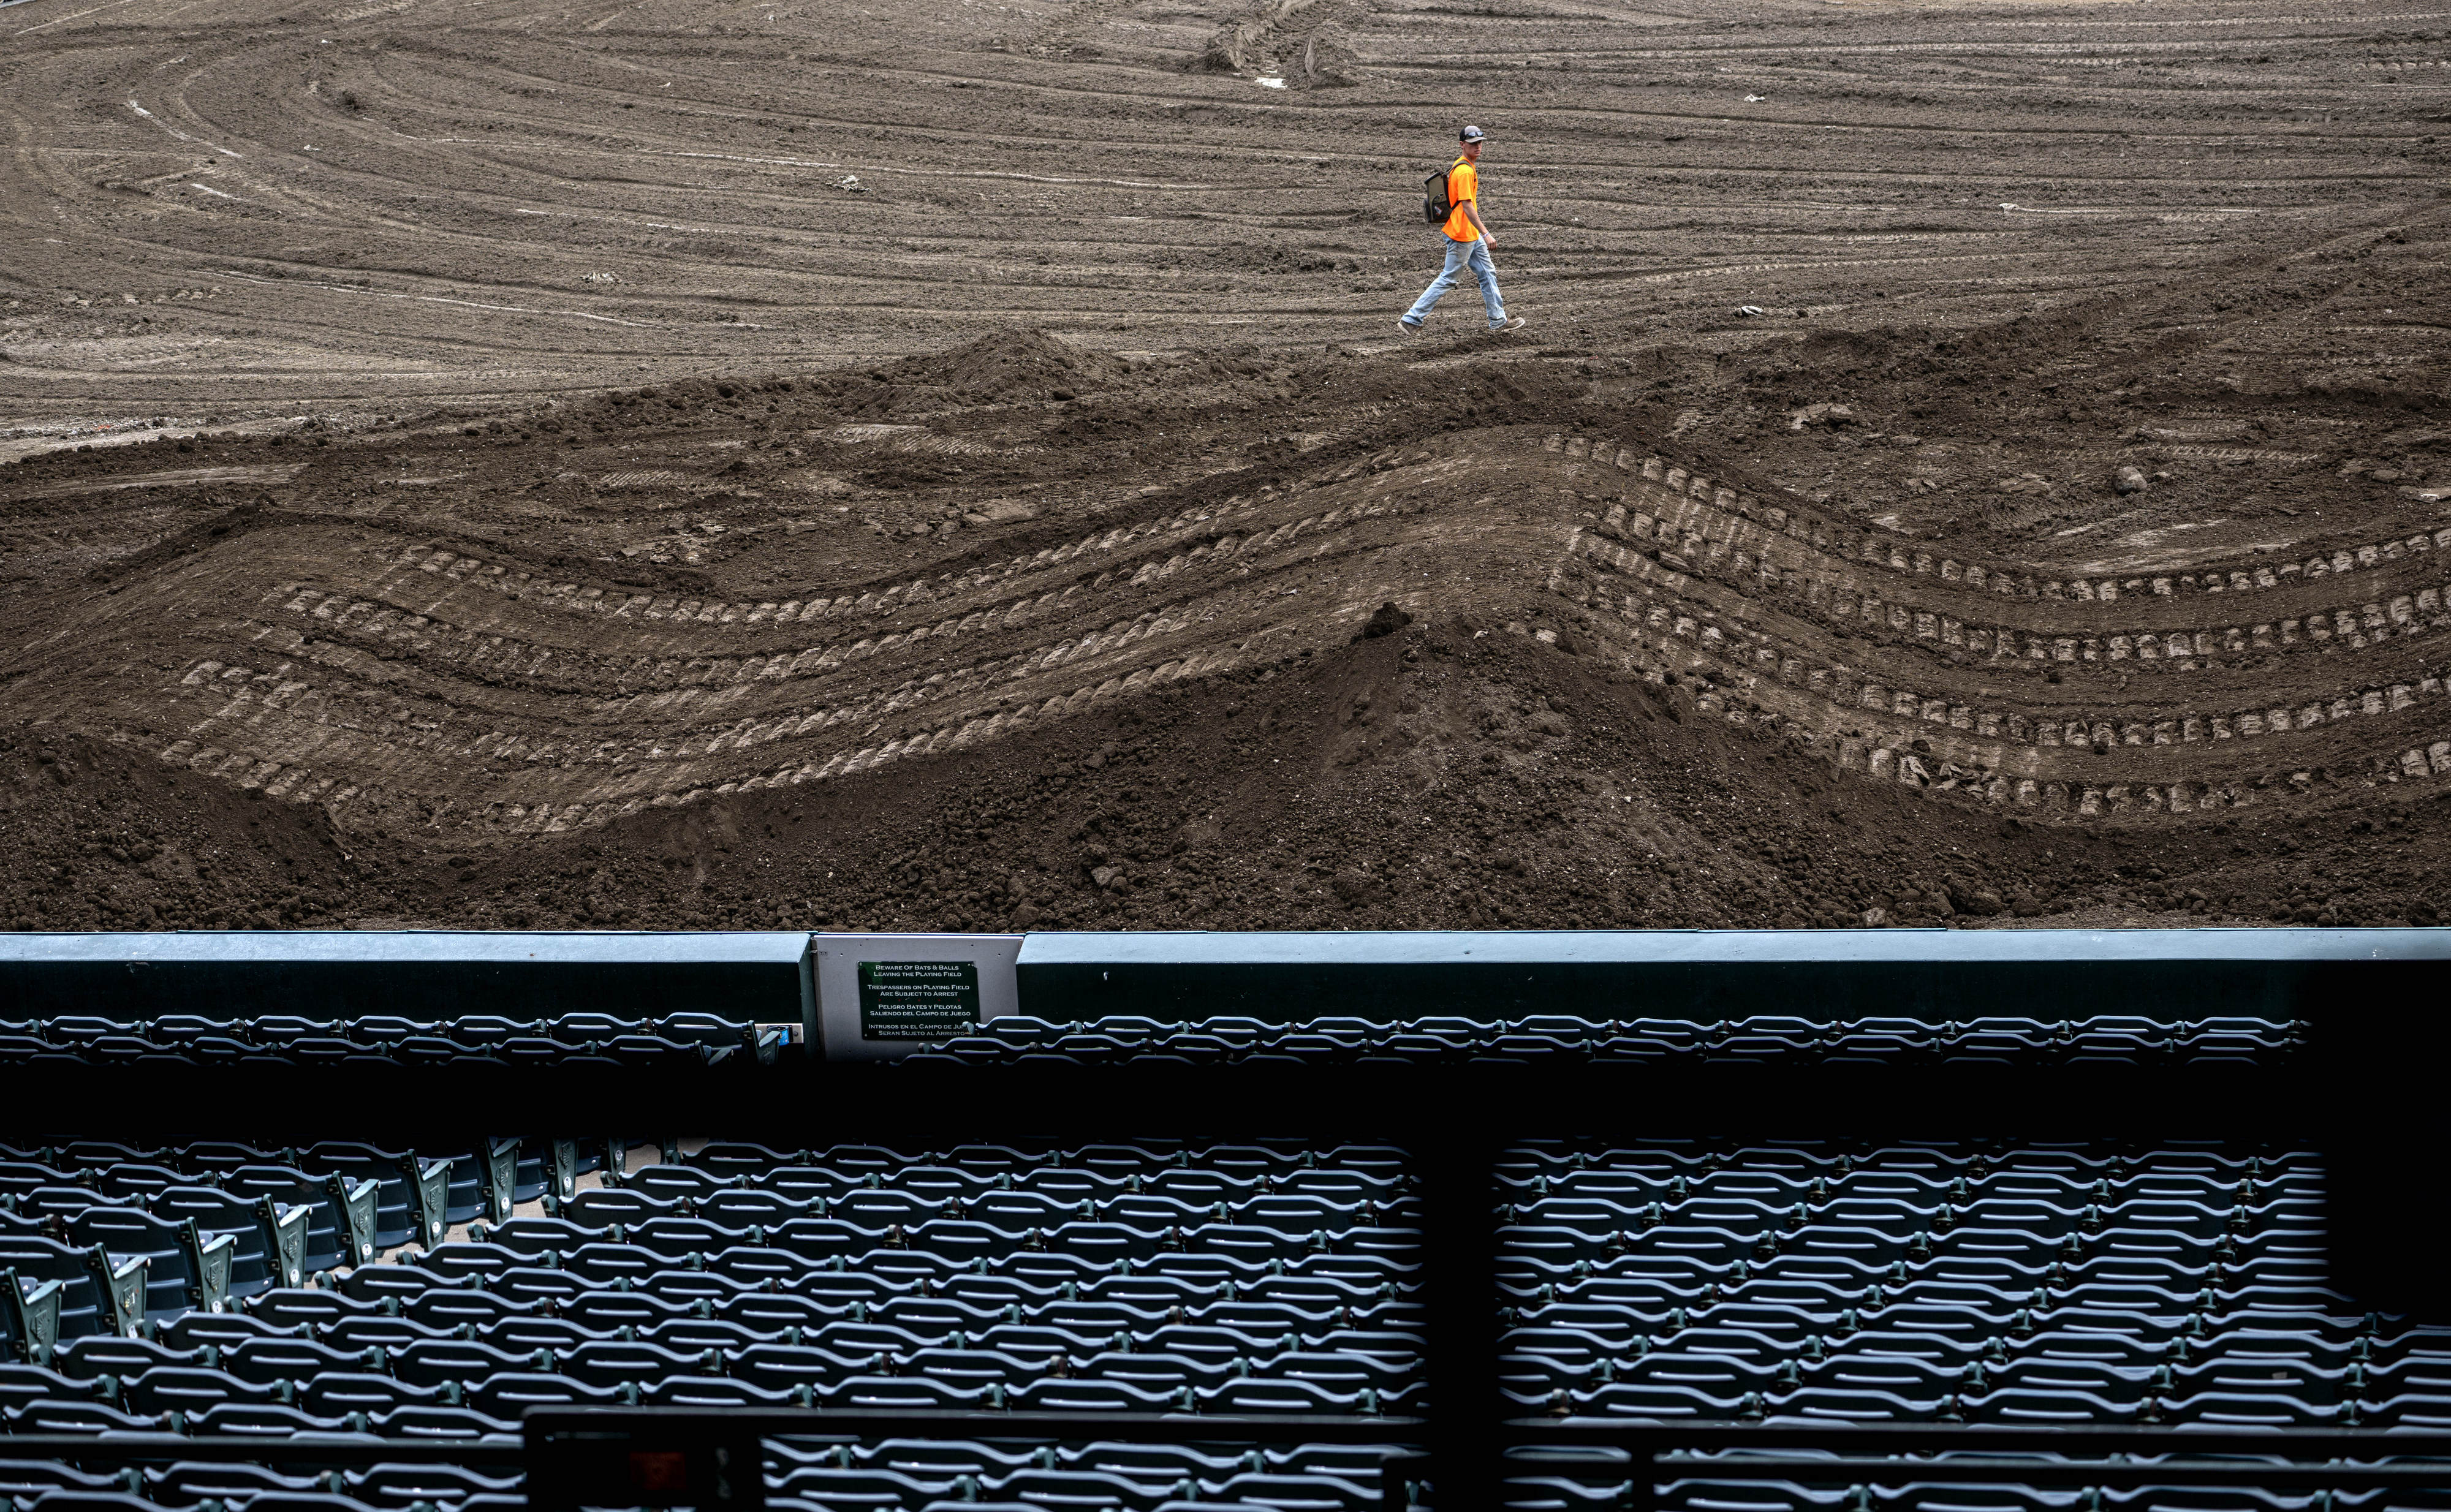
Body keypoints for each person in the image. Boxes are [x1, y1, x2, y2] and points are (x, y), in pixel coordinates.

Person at [1399, 125, 1524, 337]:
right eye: (1473, 143)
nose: (1478, 147)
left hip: (1469, 233)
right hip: (1461, 234)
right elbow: (1467, 206)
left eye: (1480, 143)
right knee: (1449, 278)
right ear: (1462, 145)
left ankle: (1498, 320)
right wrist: (1486, 233)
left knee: (1487, 272)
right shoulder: (1465, 170)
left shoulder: (1462, 166)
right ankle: (1412, 319)